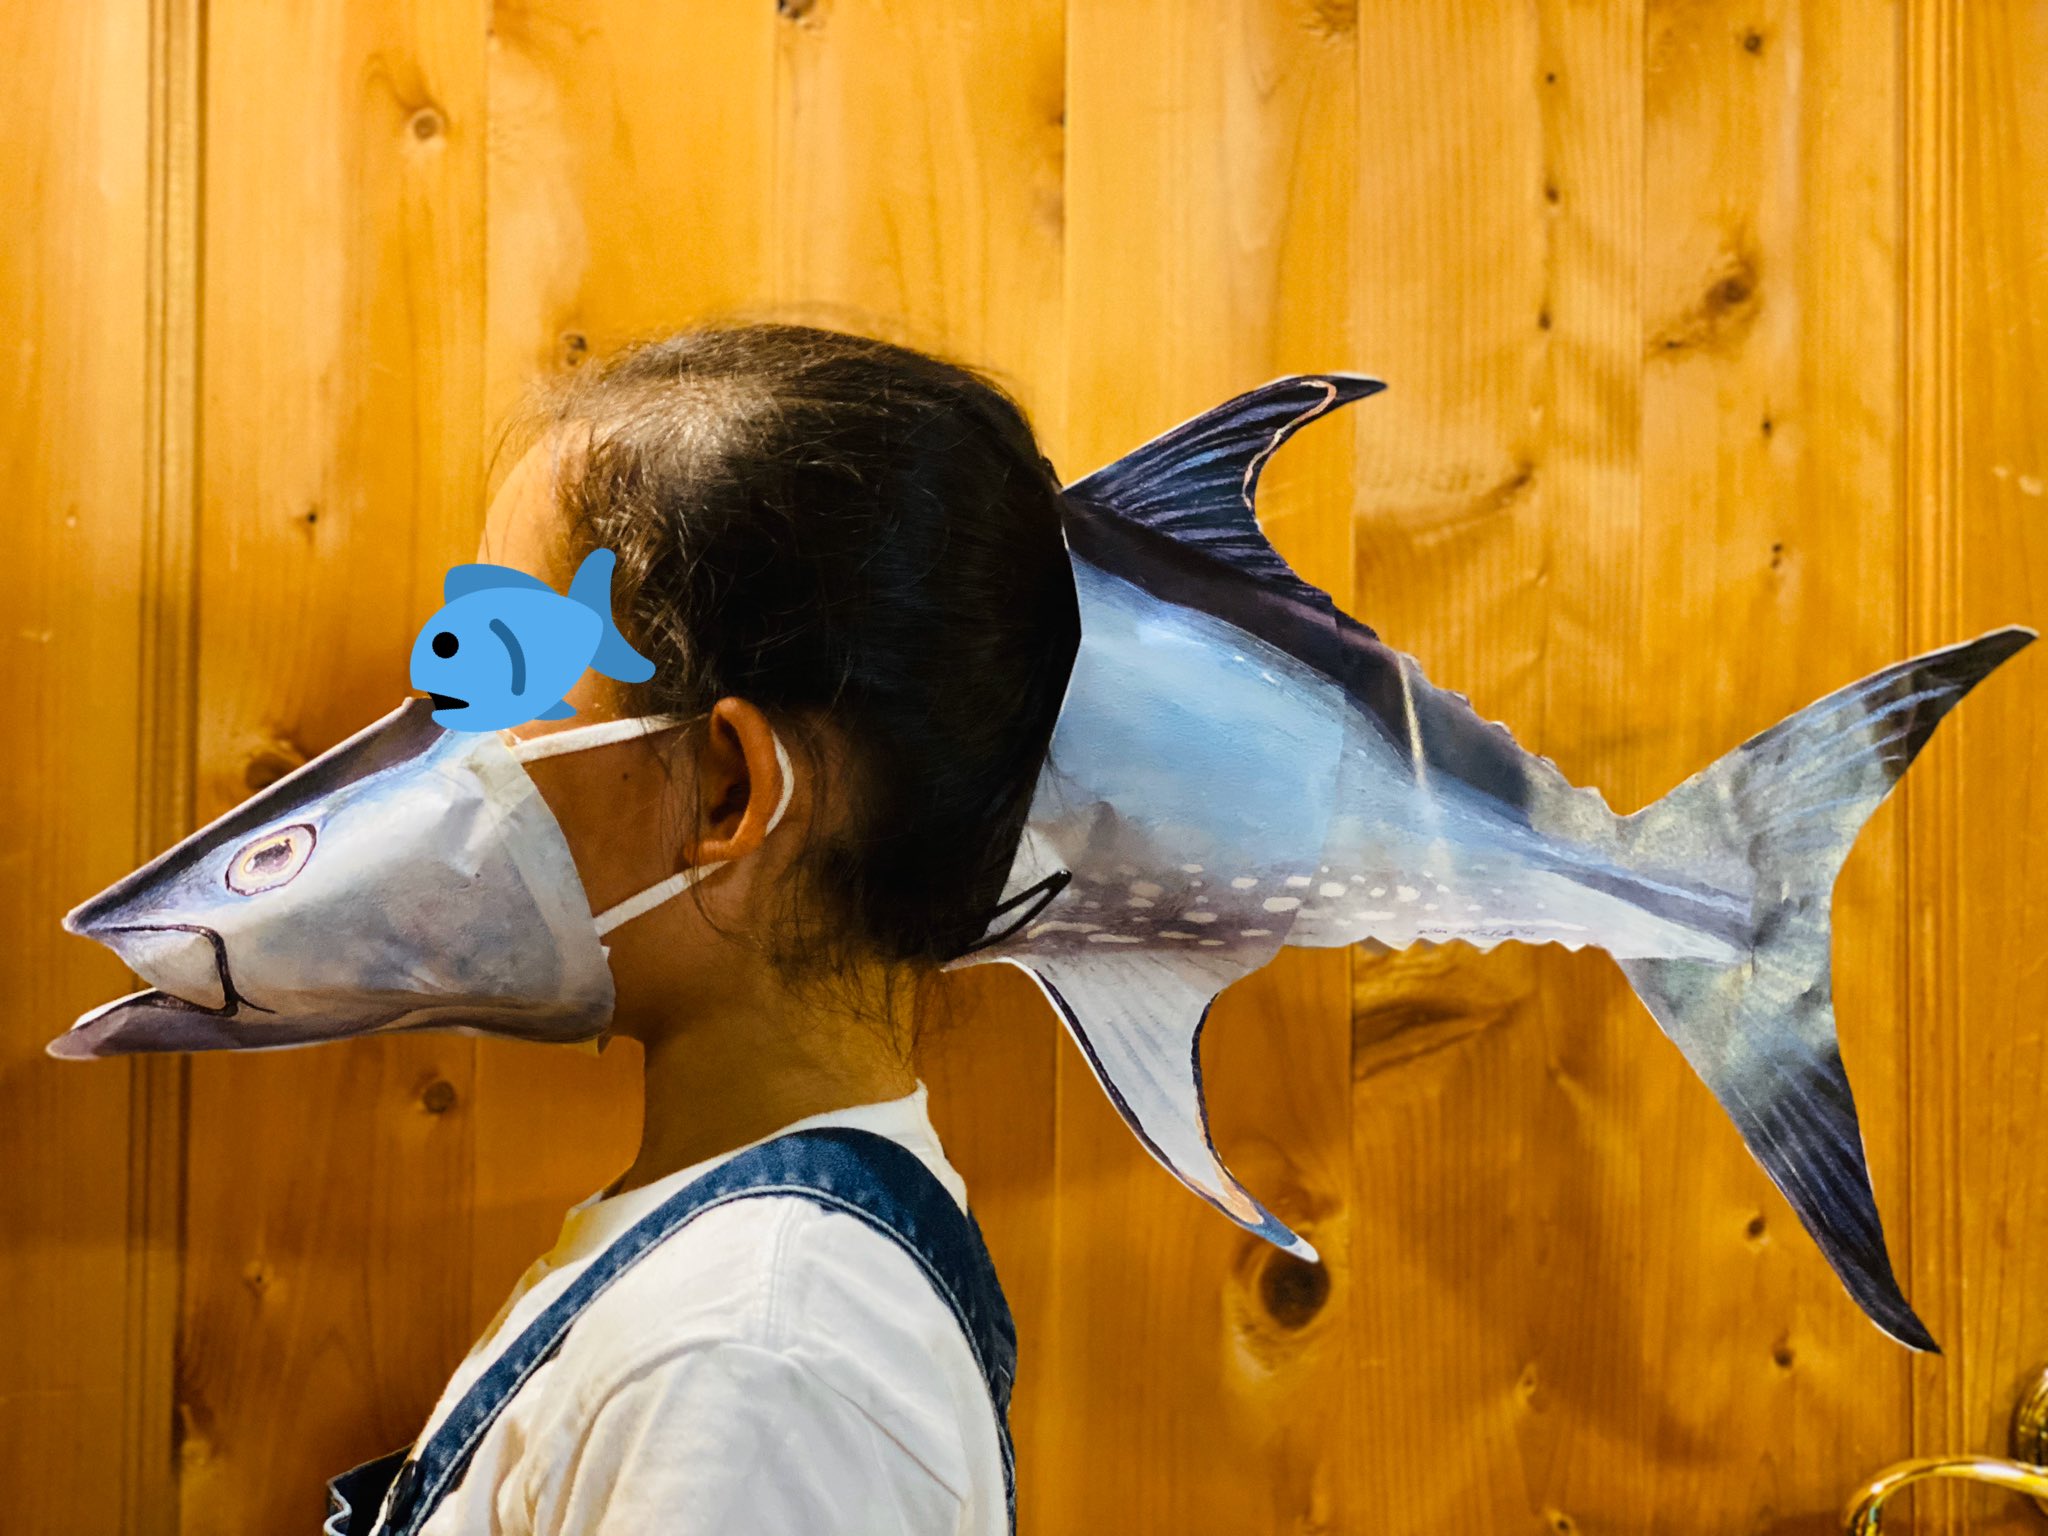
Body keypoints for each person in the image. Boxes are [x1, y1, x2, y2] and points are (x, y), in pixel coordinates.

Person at [346, 324, 1080, 1535]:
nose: (462, 746)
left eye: (513, 675)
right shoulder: (729, 1298)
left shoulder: (755, 1357)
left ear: (729, 793)